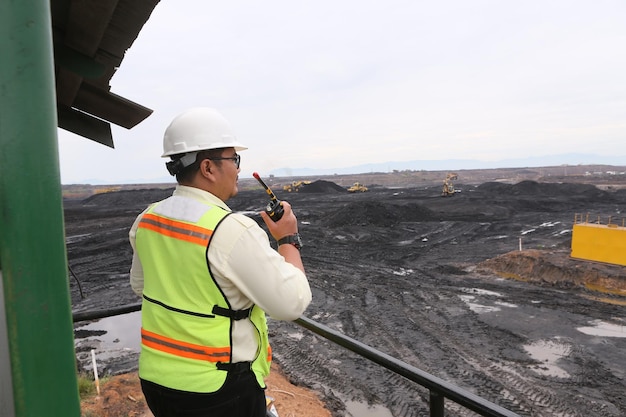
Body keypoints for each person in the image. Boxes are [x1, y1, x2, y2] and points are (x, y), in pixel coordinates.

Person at [128, 107, 312, 417]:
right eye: (234, 159)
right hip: (218, 392)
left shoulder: (147, 219)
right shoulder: (230, 230)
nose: (239, 169)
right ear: (209, 168)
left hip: (157, 383)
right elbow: (291, 303)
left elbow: (140, 286)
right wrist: (287, 240)